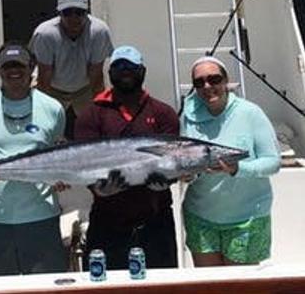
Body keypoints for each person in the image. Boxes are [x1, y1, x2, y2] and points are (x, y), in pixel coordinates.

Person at [0, 43, 68, 276]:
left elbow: (58, 153)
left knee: (46, 290)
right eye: (7, 66)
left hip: (42, 218)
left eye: (19, 65)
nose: (14, 71)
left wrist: (61, 177)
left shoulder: (53, 108)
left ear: (31, 68)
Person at [74, 45, 179, 270]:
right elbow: (85, 164)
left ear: (143, 71)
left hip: (156, 220)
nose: (125, 71)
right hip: (107, 220)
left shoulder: (163, 113)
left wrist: (167, 182)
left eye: (131, 67)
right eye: (119, 66)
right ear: (110, 73)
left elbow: (173, 162)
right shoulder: (91, 114)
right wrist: (98, 189)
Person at [181, 56, 281, 267]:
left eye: (214, 79)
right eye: (199, 82)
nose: (207, 86)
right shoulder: (187, 116)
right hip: (200, 216)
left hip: (247, 218)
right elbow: (188, 163)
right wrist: (188, 174)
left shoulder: (250, 113)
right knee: (210, 286)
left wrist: (238, 169)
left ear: (226, 81)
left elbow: (272, 162)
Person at [29, 0, 113, 139]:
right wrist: (43, 113)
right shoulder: (45, 33)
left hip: (85, 87)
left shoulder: (99, 31)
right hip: (52, 87)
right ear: (59, 13)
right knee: (45, 130)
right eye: (67, 13)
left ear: (87, 12)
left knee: (96, 129)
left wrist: (100, 112)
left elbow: (96, 76)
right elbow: (44, 78)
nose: (74, 18)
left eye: (79, 13)